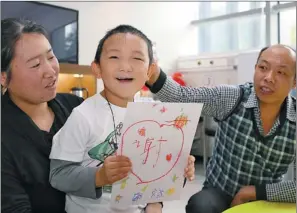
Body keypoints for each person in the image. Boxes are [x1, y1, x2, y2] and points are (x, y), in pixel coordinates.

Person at [49, 25, 196, 213]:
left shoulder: (155, 115)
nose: (125, 66)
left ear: (150, 71)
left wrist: (178, 170)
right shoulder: (83, 116)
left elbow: (155, 174)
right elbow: (58, 175)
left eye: (136, 58)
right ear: (97, 68)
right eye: (114, 57)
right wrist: (99, 176)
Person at [145, 44, 296, 213]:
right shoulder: (233, 97)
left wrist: (254, 192)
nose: (268, 77)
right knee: (201, 206)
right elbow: (181, 96)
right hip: (219, 192)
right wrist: (150, 70)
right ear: (255, 69)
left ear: (295, 82)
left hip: (264, 200)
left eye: (281, 72)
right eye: (263, 67)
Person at [1, 18, 84, 213]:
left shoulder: (77, 108)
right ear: (3, 76)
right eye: (35, 64)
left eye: (50, 57)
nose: (50, 71)